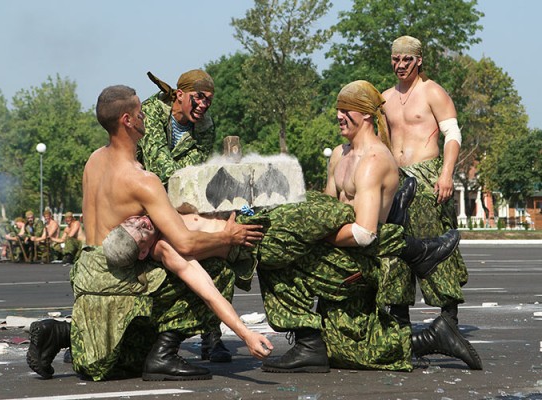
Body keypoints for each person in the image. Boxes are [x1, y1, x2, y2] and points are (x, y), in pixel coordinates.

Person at [26, 84, 271, 382]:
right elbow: (185, 244)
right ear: (127, 120)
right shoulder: (141, 180)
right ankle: (164, 355)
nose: (146, 117)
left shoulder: (94, 161)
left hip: (88, 274)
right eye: (140, 112)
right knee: (217, 268)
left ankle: (61, 333)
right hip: (120, 278)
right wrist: (229, 237)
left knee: (120, 354)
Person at [251, 81, 482, 372]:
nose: (338, 116)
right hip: (339, 256)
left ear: (366, 116)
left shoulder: (374, 160)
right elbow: (327, 209)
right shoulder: (339, 154)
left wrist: (309, 239)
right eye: (338, 110)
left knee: (272, 258)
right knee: (347, 351)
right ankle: (433, 334)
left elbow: (363, 233)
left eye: (346, 110)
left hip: (359, 263)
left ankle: (309, 343)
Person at [137, 69, 231, 363]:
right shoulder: (152, 113)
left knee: (220, 250)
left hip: (182, 202)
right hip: (145, 201)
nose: (203, 106)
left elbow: (197, 170)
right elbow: (159, 167)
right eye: (198, 98)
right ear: (179, 94)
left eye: (209, 101)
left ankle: (211, 334)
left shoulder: (205, 125)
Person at [382, 35, 468, 328]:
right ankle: (399, 322)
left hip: (428, 177)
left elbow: (453, 135)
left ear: (418, 60)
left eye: (407, 59)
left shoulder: (432, 91)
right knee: (395, 247)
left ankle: (449, 319)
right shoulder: (384, 98)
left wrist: (446, 174)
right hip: (396, 181)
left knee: (435, 247)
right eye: (396, 59)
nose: (401, 65)